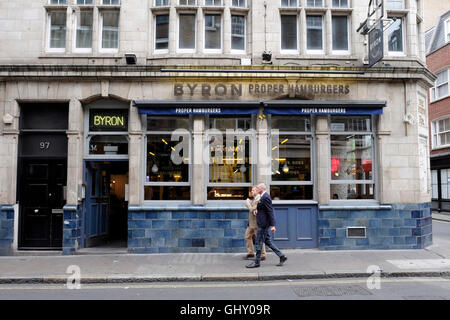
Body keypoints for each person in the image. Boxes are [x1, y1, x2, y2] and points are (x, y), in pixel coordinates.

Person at [246, 183, 287, 268]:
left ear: (261, 188)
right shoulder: (262, 196)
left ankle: (257, 262)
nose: (256, 189)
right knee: (268, 242)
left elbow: (270, 211)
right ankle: (282, 256)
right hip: (262, 222)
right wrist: (257, 211)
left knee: (259, 243)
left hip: (263, 224)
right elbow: (263, 209)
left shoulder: (266, 197)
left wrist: (273, 225)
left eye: (257, 188)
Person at [244, 186, 266, 260]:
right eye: (251, 191)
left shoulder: (259, 199)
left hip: (256, 223)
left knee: (259, 239)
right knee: (247, 237)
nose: (252, 192)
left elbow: (252, 209)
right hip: (251, 223)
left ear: (257, 191)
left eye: (253, 190)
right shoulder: (254, 199)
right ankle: (251, 253)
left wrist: (247, 203)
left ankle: (263, 255)